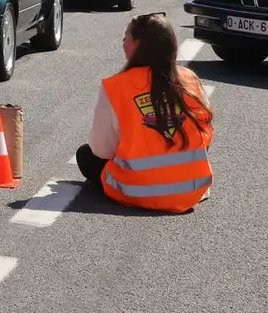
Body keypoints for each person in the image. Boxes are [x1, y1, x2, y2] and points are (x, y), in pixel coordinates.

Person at [77, 13, 213, 212]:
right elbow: (206, 136)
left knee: (85, 154)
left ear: (139, 44)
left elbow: (101, 149)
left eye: (127, 36)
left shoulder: (116, 86)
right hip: (192, 189)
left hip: (135, 190)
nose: (123, 41)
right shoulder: (190, 79)